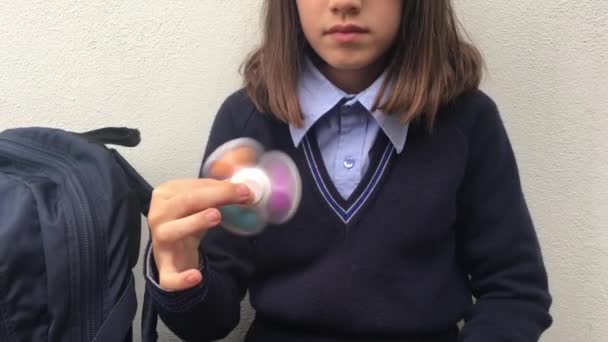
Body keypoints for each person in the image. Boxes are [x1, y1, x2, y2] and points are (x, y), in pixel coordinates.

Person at [144, 1, 553, 341]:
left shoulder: (468, 121)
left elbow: (515, 292)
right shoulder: (246, 121)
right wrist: (180, 268)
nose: (345, 3)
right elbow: (207, 323)